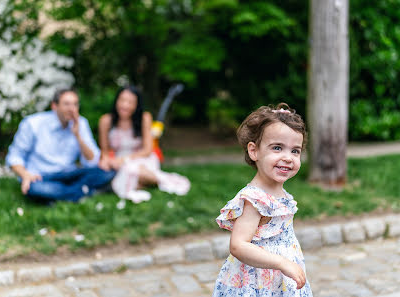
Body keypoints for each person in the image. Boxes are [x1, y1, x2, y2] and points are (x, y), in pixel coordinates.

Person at [212, 103, 313, 297]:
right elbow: (238, 245)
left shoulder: (280, 194)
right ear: (254, 151)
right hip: (258, 283)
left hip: (281, 280)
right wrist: (282, 263)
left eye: (295, 151)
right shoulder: (255, 199)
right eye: (277, 148)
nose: (288, 158)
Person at [5, 88, 116, 203]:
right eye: (66, 104)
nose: (72, 109)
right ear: (54, 106)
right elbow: (14, 157)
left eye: (75, 104)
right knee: (34, 188)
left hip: (69, 174)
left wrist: (78, 136)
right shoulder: (32, 124)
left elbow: (92, 161)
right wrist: (25, 175)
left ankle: (58, 196)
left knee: (107, 173)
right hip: (41, 176)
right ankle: (84, 192)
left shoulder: (81, 123)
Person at [98, 86, 190, 203]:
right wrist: (106, 160)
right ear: (116, 101)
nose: (125, 105)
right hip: (118, 162)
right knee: (125, 171)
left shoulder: (144, 118)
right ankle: (142, 183)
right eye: (122, 100)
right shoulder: (105, 121)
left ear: (137, 105)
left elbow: (147, 150)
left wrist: (124, 159)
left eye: (130, 102)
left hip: (143, 158)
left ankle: (152, 181)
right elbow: (104, 151)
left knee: (131, 170)